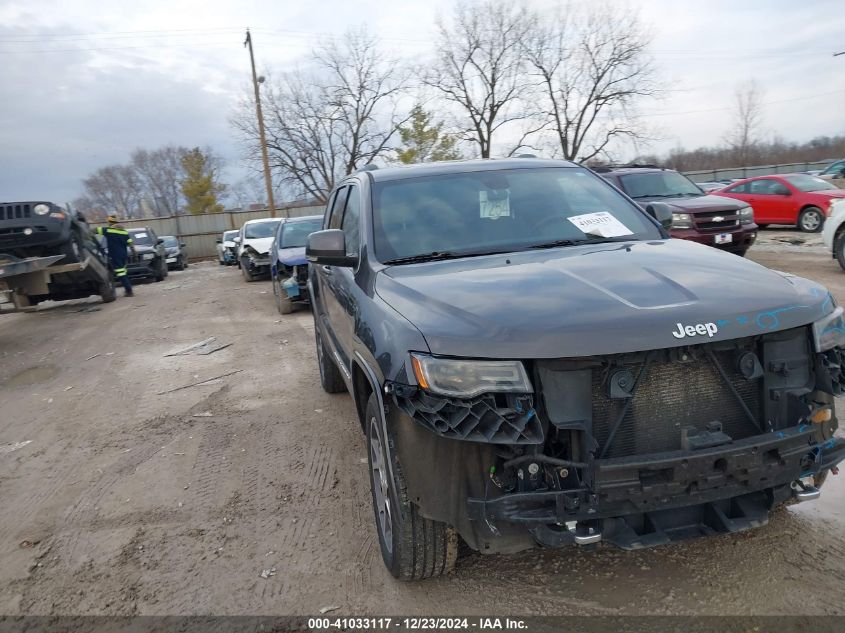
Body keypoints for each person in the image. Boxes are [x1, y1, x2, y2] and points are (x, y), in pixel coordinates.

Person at [95, 215, 136, 297]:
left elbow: (94, 230)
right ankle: (128, 290)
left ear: (109, 222)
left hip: (115, 255)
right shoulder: (124, 232)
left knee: (121, 273)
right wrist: (134, 253)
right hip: (124, 255)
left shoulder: (108, 230)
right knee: (123, 272)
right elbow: (130, 243)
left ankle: (129, 291)